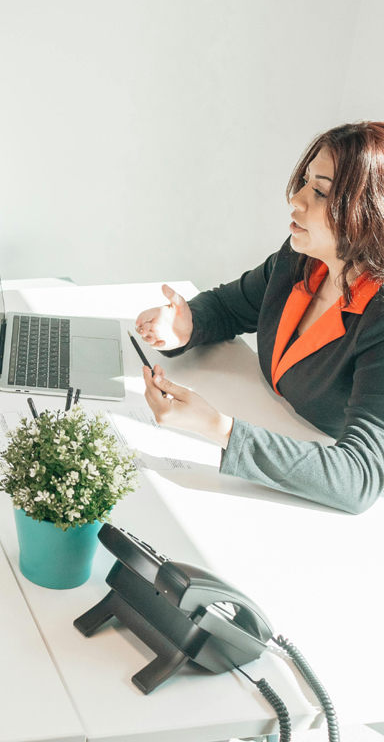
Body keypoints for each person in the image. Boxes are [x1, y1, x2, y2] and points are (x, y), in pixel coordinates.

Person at [135, 122, 384, 514]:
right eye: (304, 182)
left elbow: (358, 479)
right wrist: (186, 324)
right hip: (276, 443)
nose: (296, 200)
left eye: (319, 192)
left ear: (369, 214)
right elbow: (231, 306)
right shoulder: (301, 258)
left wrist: (219, 428)